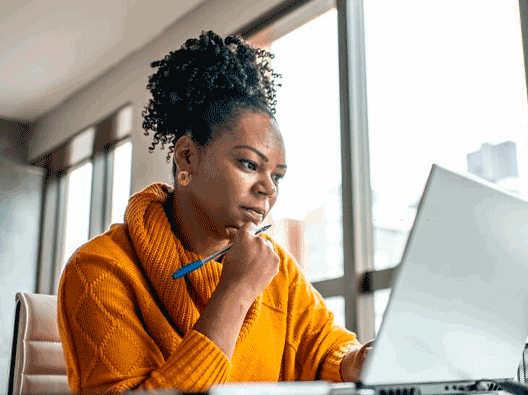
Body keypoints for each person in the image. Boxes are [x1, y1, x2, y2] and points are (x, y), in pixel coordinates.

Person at [57, 30, 372, 394]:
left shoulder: (278, 269)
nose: (268, 188)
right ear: (187, 157)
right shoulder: (99, 269)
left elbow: (324, 350)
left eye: (278, 176)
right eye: (249, 164)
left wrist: (355, 361)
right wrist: (236, 291)